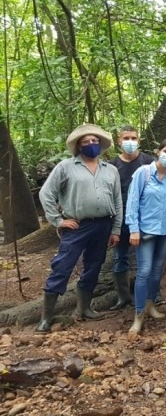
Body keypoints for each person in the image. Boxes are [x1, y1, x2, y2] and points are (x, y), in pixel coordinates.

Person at [36, 124, 122, 334]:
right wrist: (57, 220)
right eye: (86, 142)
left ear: (100, 145)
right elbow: (46, 193)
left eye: (94, 141)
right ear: (79, 146)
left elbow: (118, 200)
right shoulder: (66, 167)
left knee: (93, 267)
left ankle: (84, 308)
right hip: (76, 226)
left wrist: (116, 229)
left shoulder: (110, 170)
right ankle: (46, 318)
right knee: (63, 266)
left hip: (103, 225)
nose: (91, 145)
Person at [127, 140, 166, 335]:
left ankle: (151, 305)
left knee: (158, 269)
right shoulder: (143, 173)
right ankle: (139, 315)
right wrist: (133, 228)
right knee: (144, 271)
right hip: (145, 231)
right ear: (158, 152)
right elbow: (132, 201)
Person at [109, 125, 155, 311]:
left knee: (147, 258)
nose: (130, 142)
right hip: (120, 220)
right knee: (120, 258)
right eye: (126, 138)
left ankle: (152, 294)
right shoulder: (112, 166)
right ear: (119, 141)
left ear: (139, 140)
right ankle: (123, 296)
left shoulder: (148, 162)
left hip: (145, 219)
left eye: (133, 138)